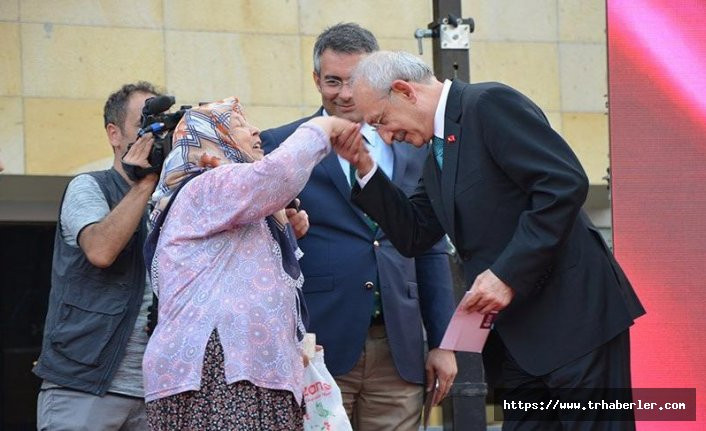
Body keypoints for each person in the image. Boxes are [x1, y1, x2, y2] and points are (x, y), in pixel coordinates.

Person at [335, 51, 646, 430]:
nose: (386, 136)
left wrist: (507, 274)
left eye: (381, 121)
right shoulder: (435, 154)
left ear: (404, 91)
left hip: (575, 323)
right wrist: (366, 169)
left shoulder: (488, 104)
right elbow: (414, 233)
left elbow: (562, 184)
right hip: (516, 343)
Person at [260, 23, 457, 430]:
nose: (345, 94)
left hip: (400, 348)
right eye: (333, 81)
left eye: (355, 81)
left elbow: (430, 248)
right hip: (315, 346)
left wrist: (444, 343)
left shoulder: (412, 141)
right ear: (316, 79)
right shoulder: (280, 145)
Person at [141, 97, 361, 430]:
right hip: (218, 375)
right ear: (213, 140)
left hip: (243, 374)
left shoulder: (227, 200)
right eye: (240, 125)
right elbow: (278, 175)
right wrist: (323, 127)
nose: (256, 129)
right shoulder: (205, 185)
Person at [33, 82, 161, 430]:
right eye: (144, 124)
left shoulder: (172, 200)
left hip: (158, 392)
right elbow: (101, 250)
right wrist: (144, 184)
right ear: (114, 134)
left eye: (161, 125)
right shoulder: (89, 186)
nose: (155, 134)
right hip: (84, 386)